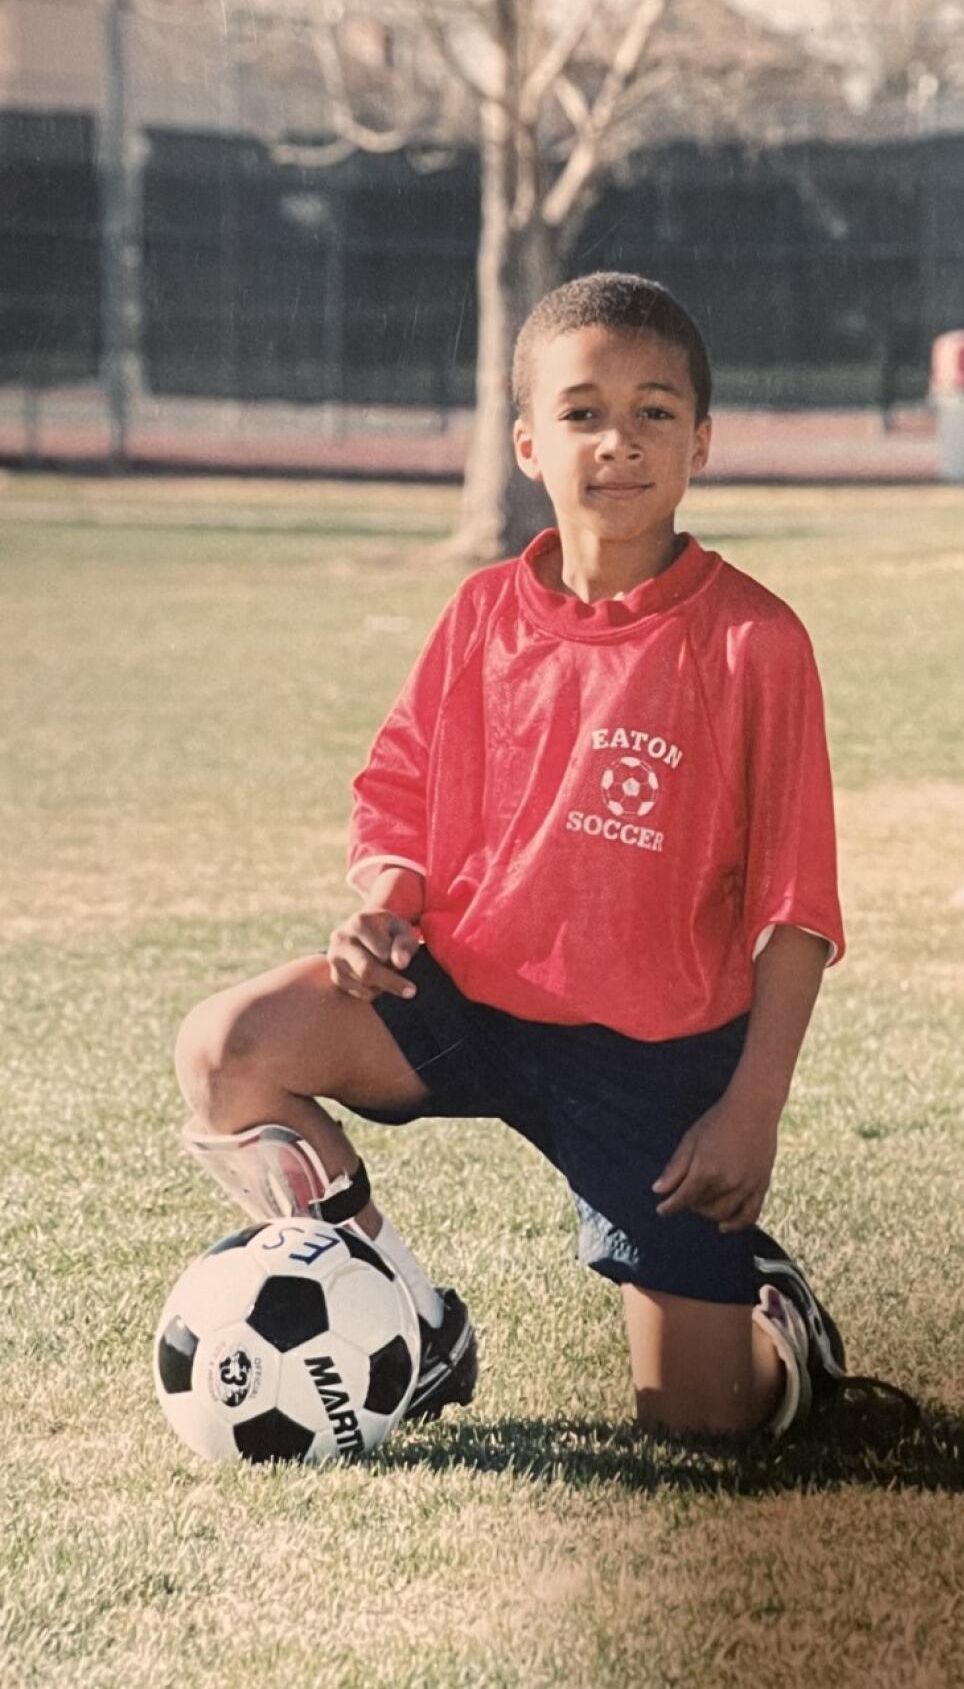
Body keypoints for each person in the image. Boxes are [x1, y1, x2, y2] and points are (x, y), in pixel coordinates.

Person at [174, 271, 858, 1440]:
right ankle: (409, 1319)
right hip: (464, 1001)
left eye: (654, 412)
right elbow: (399, 785)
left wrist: (753, 1113)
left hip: (650, 1062)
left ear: (703, 439)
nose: (620, 442)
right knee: (228, 1050)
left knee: (700, 1424)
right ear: (528, 440)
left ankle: (776, 1327)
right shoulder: (485, 612)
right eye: (584, 411)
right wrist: (387, 901)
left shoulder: (755, 643)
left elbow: (794, 913)